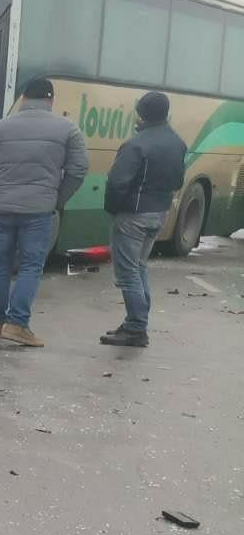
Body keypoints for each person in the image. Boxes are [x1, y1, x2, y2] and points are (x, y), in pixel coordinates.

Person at [0, 76, 88, 348]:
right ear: (51, 100)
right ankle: (17, 324)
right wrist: (57, 199)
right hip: (39, 211)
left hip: (1, 208)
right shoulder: (68, 130)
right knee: (30, 266)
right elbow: (79, 169)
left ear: (23, 97)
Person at [100, 91, 188, 348]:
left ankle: (136, 328)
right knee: (139, 267)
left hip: (133, 215)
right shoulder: (177, 142)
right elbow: (178, 181)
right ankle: (135, 323)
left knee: (128, 272)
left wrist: (113, 209)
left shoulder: (136, 145)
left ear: (141, 113)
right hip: (159, 212)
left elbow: (117, 183)